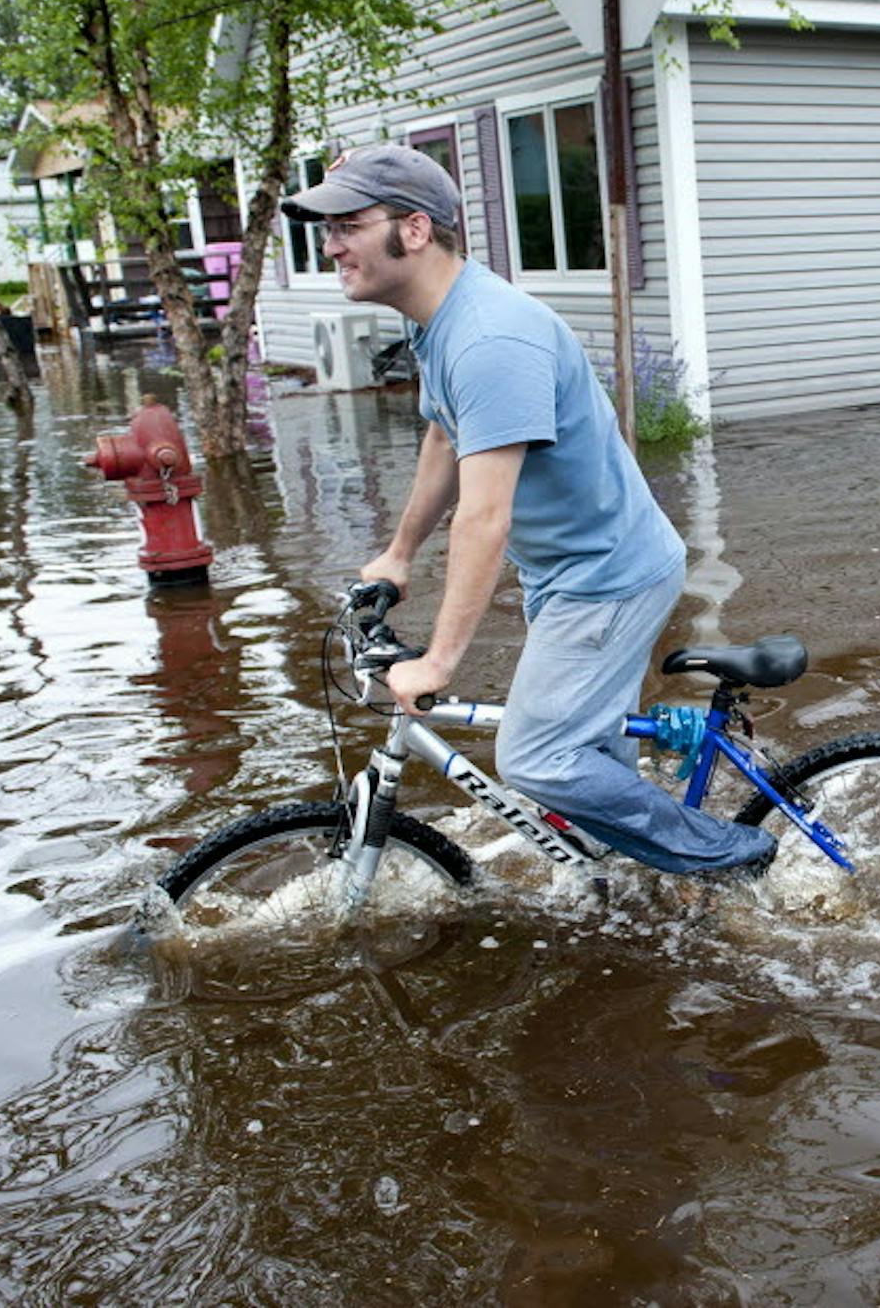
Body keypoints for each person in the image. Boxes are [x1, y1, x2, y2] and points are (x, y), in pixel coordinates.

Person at [280, 145, 775, 875]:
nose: (331, 245)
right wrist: (400, 552)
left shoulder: (488, 339)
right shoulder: (437, 319)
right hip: (565, 572)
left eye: (348, 224)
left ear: (413, 230)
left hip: (606, 576)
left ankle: (734, 855)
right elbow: (446, 432)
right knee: (590, 769)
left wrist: (439, 661)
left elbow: (484, 519)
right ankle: (630, 886)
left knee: (537, 757)